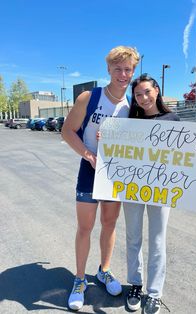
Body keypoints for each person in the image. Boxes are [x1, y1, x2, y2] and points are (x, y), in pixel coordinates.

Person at [123, 73, 196, 314]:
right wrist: (104, 138)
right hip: (132, 188)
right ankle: (135, 284)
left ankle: (154, 293)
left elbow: (187, 154)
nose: (143, 98)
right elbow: (117, 150)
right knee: (133, 238)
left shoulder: (173, 119)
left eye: (147, 92)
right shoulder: (130, 119)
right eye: (138, 94)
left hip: (161, 190)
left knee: (158, 240)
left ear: (157, 91)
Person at [61, 46, 140, 311]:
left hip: (115, 174)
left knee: (109, 224)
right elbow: (67, 131)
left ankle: (104, 271)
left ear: (133, 71)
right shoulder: (89, 97)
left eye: (128, 69)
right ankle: (80, 279)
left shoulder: (133, 105)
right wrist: (88, 154)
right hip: (89, 170)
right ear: (108, 69)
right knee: (85, 228)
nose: (123, 73)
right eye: (117, 68)